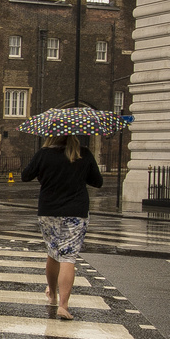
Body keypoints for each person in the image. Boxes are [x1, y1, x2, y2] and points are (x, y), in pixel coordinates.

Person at [21, 134, 103, 320]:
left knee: (53, 252)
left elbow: (26, 175)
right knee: (68, 257)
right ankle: (63, 306)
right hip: (76, 211)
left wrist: (46, 174)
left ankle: (52, 295)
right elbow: (97, 181)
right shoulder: (83, 154)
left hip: (49, 210)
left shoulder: (44, 154)